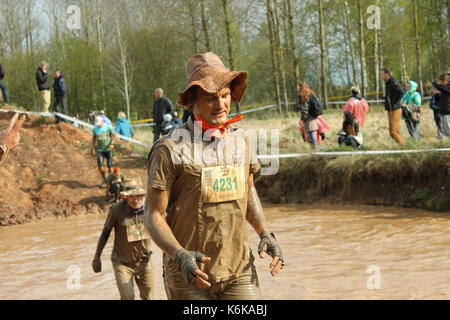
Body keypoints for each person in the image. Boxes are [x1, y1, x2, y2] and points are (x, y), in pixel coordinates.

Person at [145, 52, 284, 300]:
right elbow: (153, 214)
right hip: (189, 274)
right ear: (191, 101)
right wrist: (179, 255)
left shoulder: (241, 140)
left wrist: (264, 232)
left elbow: (248, 191)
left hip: (239, 269)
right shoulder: (170, 149)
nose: (220, 105)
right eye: (210, 98)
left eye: (224, 95)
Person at [92, 178, 154, 300]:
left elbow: (162, 231)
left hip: (144, 261)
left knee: (149, 297)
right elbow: (105, 233)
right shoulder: (116, 210)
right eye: (131, 196)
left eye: (138, 196)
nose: (135, 200)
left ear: (143, 195)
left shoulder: (150, 209)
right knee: (128, 296)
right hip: (122, 262)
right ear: (125, 197)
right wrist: (97, 257)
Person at [297, 81, 328, 149]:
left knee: (311, 134)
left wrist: (302, 119)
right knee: (313, 133)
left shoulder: (303, 95)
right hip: (313, 116)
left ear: (300, 87)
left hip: (309, 118)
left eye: (298, 86)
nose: (297, 87)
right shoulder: (309, 92)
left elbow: (304, 109)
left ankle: (315, 149)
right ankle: (316, 148)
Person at [382, 67, 405, 146]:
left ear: (387, 74)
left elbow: (401, 92)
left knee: (393, 132)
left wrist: (393, 103)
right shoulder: (389, 83)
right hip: (391, 109)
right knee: (395, 132)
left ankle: (403, 147)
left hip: (395, 109)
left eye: (382, 74)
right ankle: (401, 147)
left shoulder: (393, 81)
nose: (381, 76)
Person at [92, 116, 116, 188]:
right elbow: (93, 138)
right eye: (97, 124)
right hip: (100, 150)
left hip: (108, 149)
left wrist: (112, 143)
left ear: (102, 121)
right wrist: (93, 147)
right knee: (100, 166)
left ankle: (111, 180)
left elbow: (114, 135)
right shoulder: (95, 129)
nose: (98, 125)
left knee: (109, 165)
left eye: (99, 123)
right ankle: (104, 179)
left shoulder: (108, 127)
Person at [433, 73, 450, 137]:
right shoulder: (443, 89)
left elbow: (445, 89)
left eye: (441, 81)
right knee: (444, 130)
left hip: (448, 112)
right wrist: (436, 95)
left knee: (448, 129)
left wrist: (436, 84)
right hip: (442, 111)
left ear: (445, 80)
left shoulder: (447, 88)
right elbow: (438, 101)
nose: (440, 83)